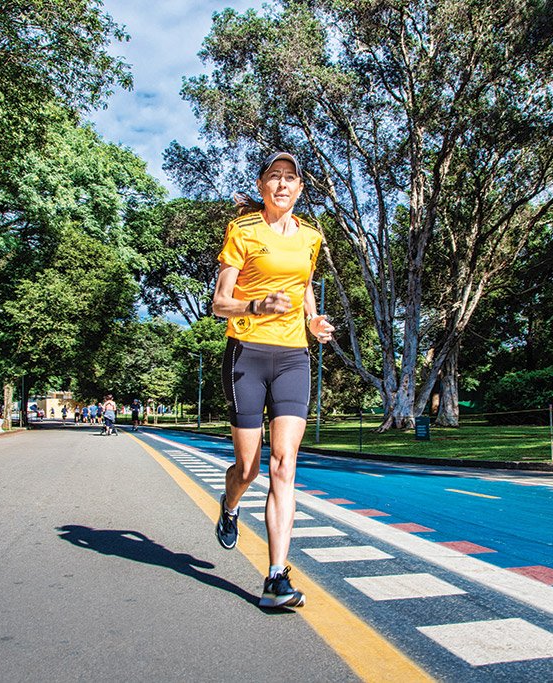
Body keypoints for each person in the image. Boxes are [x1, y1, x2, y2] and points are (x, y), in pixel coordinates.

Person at [211, 151, 334, 609]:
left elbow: (303, 286)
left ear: (300, 189)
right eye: (274, 177)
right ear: (263, 186)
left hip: (293, 359)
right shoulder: (242, 231)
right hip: (246, 352)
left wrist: (314, 319)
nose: (282, 184)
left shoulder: (311, 237)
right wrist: (256, 307)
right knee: (249, 468)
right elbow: (221, 302)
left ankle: (276, 576)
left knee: (285, 465)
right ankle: (229, 505)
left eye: (290, 178)